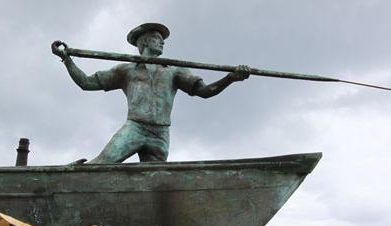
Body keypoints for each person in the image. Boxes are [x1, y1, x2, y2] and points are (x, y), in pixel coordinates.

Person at [51, 23, 250, 164]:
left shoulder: (174, 71)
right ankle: (75, 175)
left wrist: (231, 78)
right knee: (102, 164)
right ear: (144, 43)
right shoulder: (126, 71)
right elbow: (86, 83)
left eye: (162, 40)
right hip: (135, 127)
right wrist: (67, 60)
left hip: (161, 133)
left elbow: (206, 91)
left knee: (154, 182)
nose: (162, 43)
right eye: (157, 39)